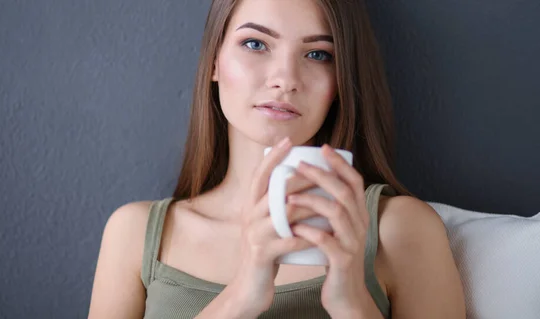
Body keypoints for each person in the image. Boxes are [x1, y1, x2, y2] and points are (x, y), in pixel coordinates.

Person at [87, 0, 466, 318]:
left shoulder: (398, 229)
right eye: (255, 44)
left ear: (340, 81)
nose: (286, 79)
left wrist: (350, 300)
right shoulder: (135, 233)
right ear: (215, 62)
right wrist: (241, 296)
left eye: (318, 54)